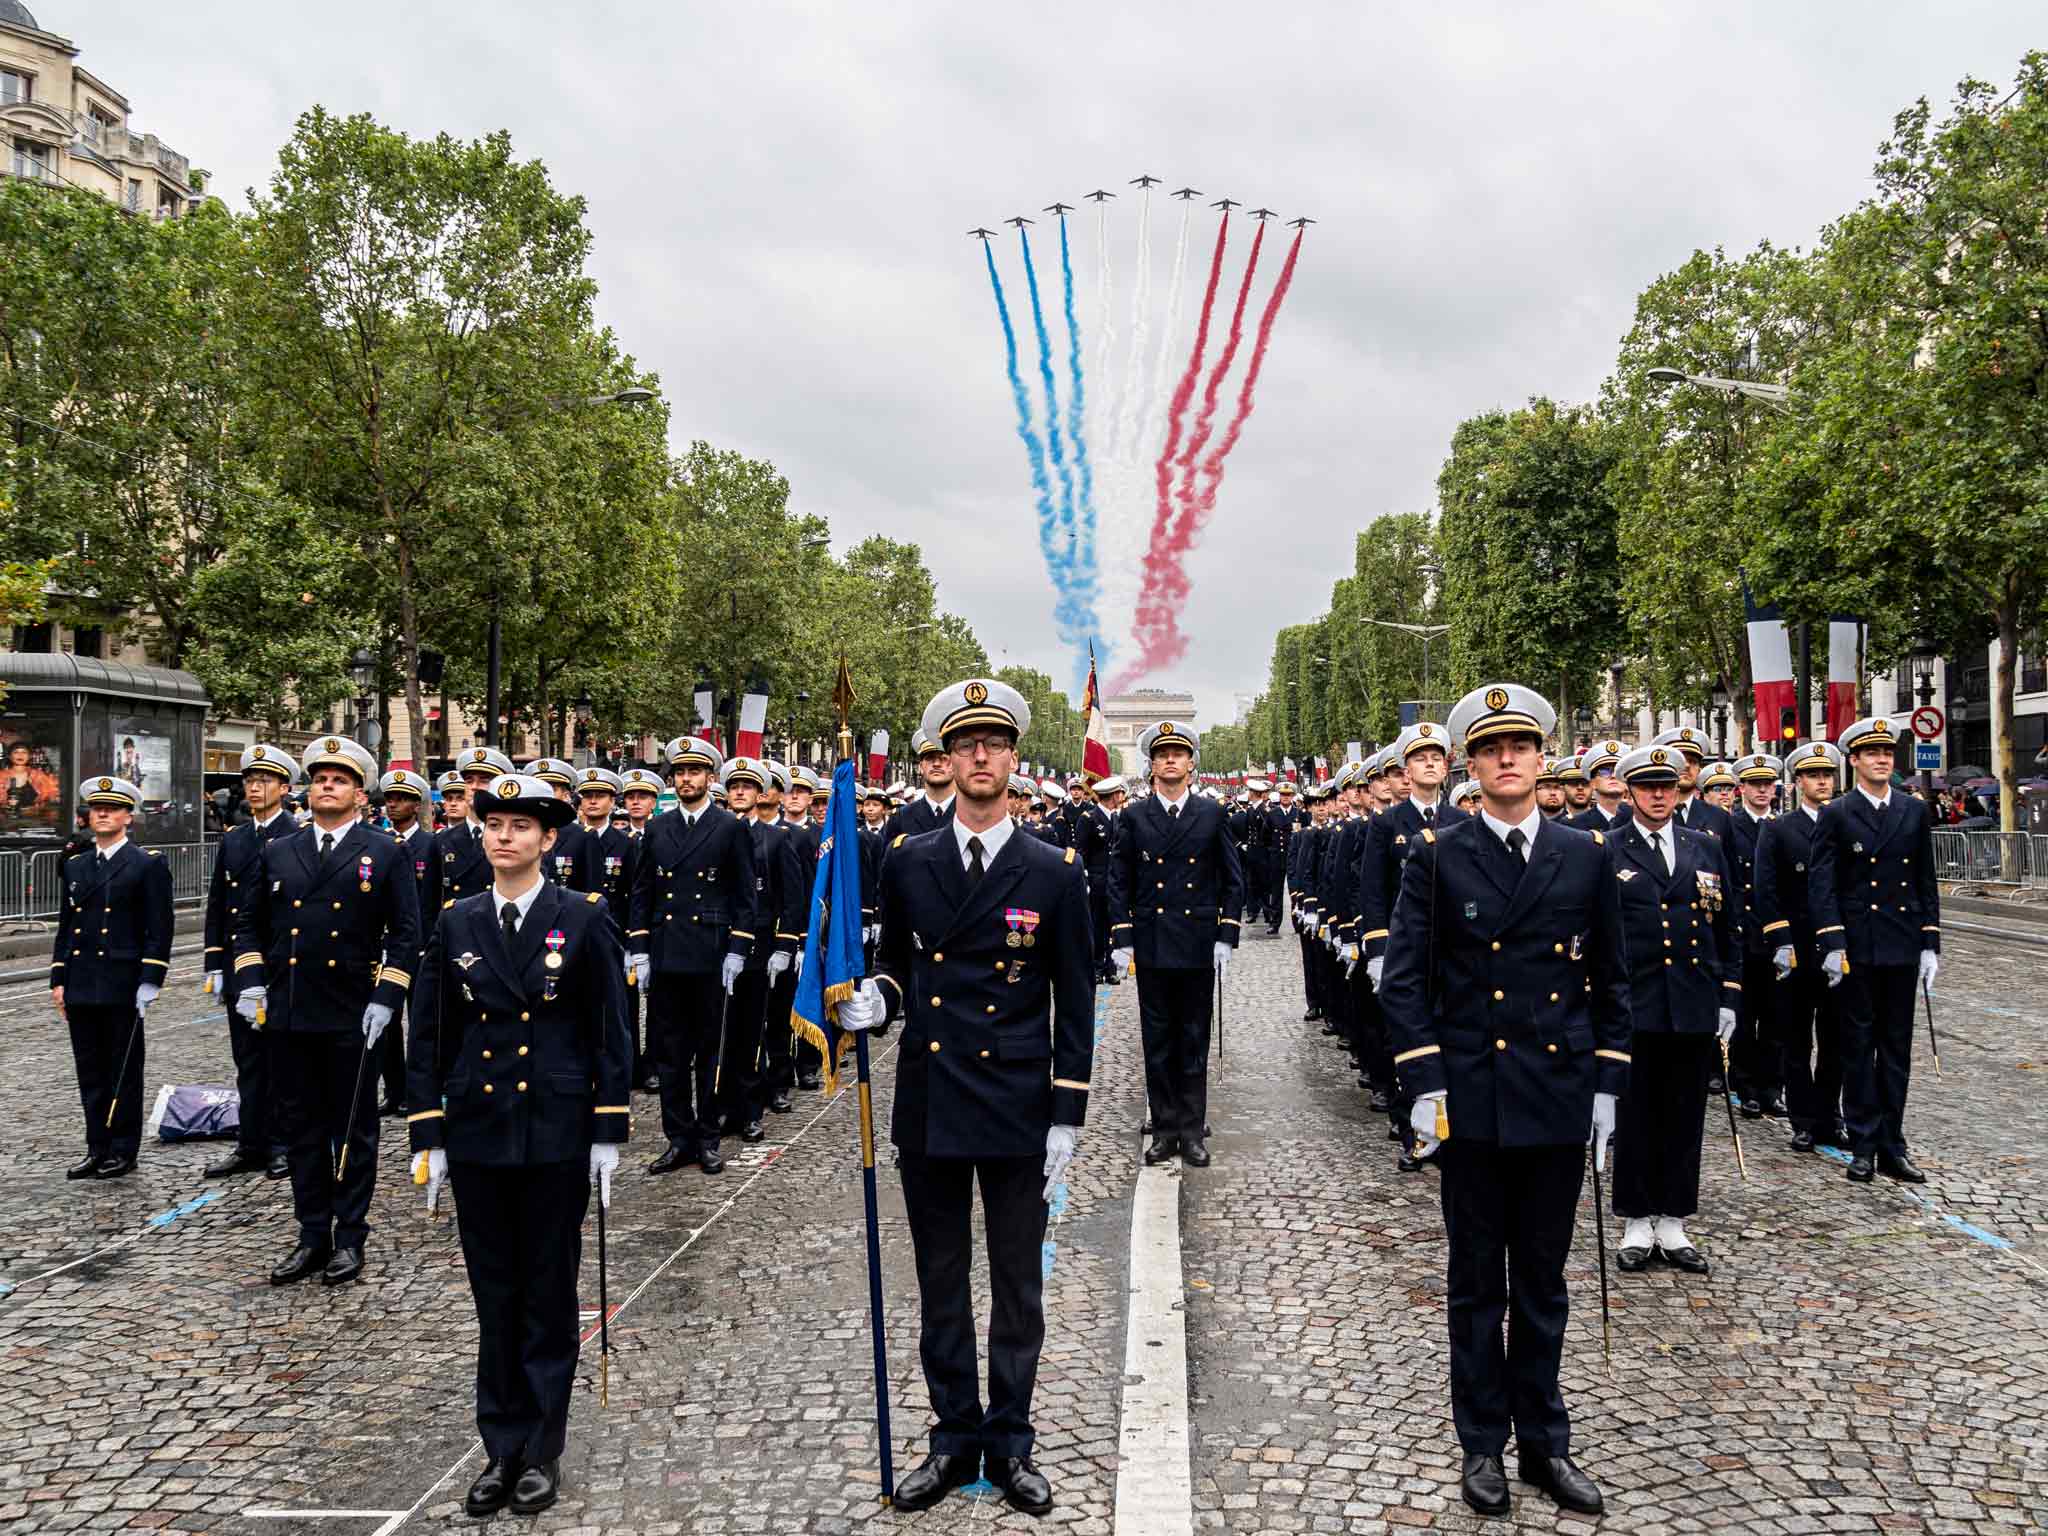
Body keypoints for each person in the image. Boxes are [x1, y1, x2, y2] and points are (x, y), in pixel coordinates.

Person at [835, 677, 1094, 1517]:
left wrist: (1068, 1113)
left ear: (1013, 759)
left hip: (1018, 1097)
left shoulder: (1054, 871)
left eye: (994, 744)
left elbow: (1076, 1000)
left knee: (1018, 1284)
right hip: (936, 1097)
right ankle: (952, 1438)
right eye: (964, 746)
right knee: (941, 1278)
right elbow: (902, 969)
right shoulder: (908, 859)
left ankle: (1011, 1442)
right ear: (945, 762)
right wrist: (877, 997)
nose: (980, 757)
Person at [1378, 683, 1628, 1520]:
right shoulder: (1437, 855)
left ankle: (1547, 1445)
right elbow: (1406, 980)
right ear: (1470, 766)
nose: (1508, 759)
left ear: (1542, 758)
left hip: (1556, 1095)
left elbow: (1611, 982)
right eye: (1491, 750)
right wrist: (1424, 1082)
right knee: (1480, 1284)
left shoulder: (1586, 853)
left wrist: (1607, 1086)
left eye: (1520, 745)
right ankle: (1482, 1443)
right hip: (1475, 1100)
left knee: (1546, 1286)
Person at [407, 772, 629, 1518]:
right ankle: (499, 1445)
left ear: (548, 840)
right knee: (494, 1295)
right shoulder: (457, 920)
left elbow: (609, 1030)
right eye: (493, 824)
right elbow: (432, 1030)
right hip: (479, 1127)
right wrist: (428, 1130)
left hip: (556, 1129)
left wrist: (607, 1130)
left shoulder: (584, 917)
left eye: (520, 827)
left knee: (546, 1295)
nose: (504, 837)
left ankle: (541, 1448)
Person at [232, 737, 422, 1286]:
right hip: (290, 1009)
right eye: (319, 778)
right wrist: (250, 981)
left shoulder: (383, 851)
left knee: (354, 1131)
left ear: (360, 794)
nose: (326, 786)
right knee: (301, 1129)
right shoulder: (278, 851)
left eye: (338, 779)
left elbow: (405, 934)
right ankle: (312, 1233)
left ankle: (351, 1235)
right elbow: (249, 924)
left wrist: (388, 997)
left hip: (351, 1012)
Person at [1605, 745, 1739, 1278]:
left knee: (1684, 1116)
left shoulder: (1704, 845)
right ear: (1631, 792)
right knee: (1637, 1117)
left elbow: (1726, 926)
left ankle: (1675, 1221)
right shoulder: (1606, 849)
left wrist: (1729, 993)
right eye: (1648, 786)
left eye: (1669, 786)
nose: (1659, 795)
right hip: (1636, 1006)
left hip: (1692, 1002)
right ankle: (1637, 1220)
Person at [1809, 716, 1940, 1184]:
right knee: (1858, 1048)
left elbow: (1925, 878)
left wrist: (1930, 942)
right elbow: (1822, 882)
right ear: (1855, 761)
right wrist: (1831, 940)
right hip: (1857, 945)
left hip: (1901, 943)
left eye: (1888, 753)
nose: (1883, 759)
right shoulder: (1838, 813)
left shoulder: (1913, 810)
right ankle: (1863, 1142)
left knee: (1897, 1050)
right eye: (1873, 754)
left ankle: (1892, 1144)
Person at [1108, 718, 1243, 1169]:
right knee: (1158, 1042)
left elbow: (1232, 880)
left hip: (1197, 943)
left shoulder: (1212, 814)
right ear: (1151, 764)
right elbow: (1118, 880)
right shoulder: (1133, 816)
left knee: (1193, 1039)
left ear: (1191, 764)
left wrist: (1226, 934)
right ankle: (1165, 1130)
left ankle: (1192, 1129)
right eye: (1162, 754)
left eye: (1178, 754)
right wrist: (1122, 936)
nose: (1170, 760)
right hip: (1152, 944)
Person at [626, 735, 760, 1177]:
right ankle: (677, 1138)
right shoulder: (658, 828)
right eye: (680, 772)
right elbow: (642, 893)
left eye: (694, 772)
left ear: (710, 778)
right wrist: (640, 949)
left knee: (709, 1051)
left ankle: (706, 1138)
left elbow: (744, 896)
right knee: (669, 1053)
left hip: (712, 954)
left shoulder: (730, 827)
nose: (686, 779)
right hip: (666, 954)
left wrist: (738, 948)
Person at [1359, 721, 1469, 1171]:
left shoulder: (1464, 821)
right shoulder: (1388, 824)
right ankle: (1413, 1133)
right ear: (1405, 770)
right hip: (1406, 951)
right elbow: (1373, 891)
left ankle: (1451, 1128)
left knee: (1454, 1037)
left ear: (1446, 768)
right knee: (1404, 1040)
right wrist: (1379, 951)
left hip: (1453, 952)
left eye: (1436, 757)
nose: (1429, 764)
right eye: (1420, 758)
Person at [51, 775, 173, 1179]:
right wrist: (59, 978)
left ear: (128, 817)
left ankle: (123, 1149)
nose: (102, 814)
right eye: (97, 808)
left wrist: (150, 979)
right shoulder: (75, 865)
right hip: (84, 979)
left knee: (122, 1071)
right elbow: (67, 926)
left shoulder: (146, 863)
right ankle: (96, 1147)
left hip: (122, 980)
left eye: (113, 808)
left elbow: (159, 926)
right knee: (90, 1071)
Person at [199, 746, 303, 1179]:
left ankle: (282, 1143)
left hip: (279, 963)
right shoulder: (235, 838)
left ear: (285, 787)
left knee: (281, 1058)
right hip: (241, 961)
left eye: (265, 781)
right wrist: (214, 962)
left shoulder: (297, 836)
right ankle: (251, 1142)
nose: (254, 788)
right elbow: (219, 904)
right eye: (250, 780)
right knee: (247, 1059)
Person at [1755, 741, 1849, 1153]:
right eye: (1813, 775)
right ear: (1797, 783)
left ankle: (1831, 1115)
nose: (1822, 781)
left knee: (1838, 1040)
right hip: (1795, 948)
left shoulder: (1847, 823)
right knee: (1796, 1040)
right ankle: (1803, 1119)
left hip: (1835, 948)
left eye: (1827, 775)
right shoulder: (1778, 829)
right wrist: (1780, 940)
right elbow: (1767, 890)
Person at [376, 770, 442, 1118]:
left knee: (420, 1024)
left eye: (401, 799)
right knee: (385, 1023)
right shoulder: (379, 843)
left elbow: (432, 899)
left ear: (416, 805)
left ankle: (417, 1092)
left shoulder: (430, 845)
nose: (393, 804)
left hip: (418, 948)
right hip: (385, 947)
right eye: (389, 798)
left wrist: (428, 945)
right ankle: (394, 1089)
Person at [1723, 754, 1784, 1121]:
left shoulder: (1782, 827)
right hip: (1744, 935)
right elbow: (1728, 882)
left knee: (1777, 1019)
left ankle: (1772, 1088)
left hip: (1778, 937)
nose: (1763, 789)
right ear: (1741, 789)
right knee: (1745, 1019)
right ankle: (1745, 1087)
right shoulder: (1730, 828)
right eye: (1755, 784)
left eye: (1768, 784)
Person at [439, 749, 513, 906]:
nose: (474, 787)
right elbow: (429, 904)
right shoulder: (441, 840)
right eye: (469, 781)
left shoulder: (512, 838)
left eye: (484, 781)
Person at [1652, 726, 1732, 841]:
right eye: (1680, 760)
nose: (1687, 765)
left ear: (1699, 770)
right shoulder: (1647, 814)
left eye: (1692, 761)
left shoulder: (1719, 816)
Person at [1567, 740, 1630, 831]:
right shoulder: (1574, 825)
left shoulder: (1641, 820)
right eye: (1604, 772)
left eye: (1617, 771)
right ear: (1592, 783)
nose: (1613, 776)